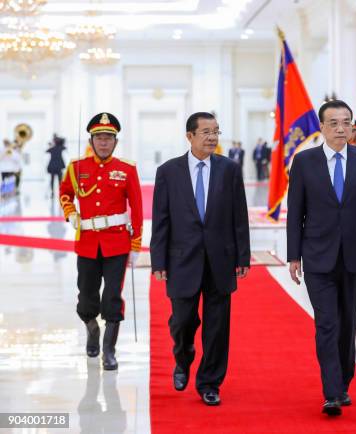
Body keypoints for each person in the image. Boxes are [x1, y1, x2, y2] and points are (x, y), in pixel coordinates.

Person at [286, 100, 356, 416]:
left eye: (346, 122)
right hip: (317, 256)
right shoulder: (305, 162)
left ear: (353, 126)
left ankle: (343, 380)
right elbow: (295, 213)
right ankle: (332, 391)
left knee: (348, 323)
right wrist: (293, 255)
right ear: (322, 127)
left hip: (354, 255)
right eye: (334, 122)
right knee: (326, 323)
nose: (340, 128)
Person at [150, 112, 250, 406]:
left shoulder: (229, 169)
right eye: (205, 132)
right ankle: (183, 357)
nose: (212, 137)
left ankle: (209, 382)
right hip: (182, 259)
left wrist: (242, 255)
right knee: (182, 321)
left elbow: (239, 216)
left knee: (218, 326)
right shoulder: (168, 171)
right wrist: (159, 261)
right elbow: (161, 220)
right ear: (189, 136)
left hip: (220, 258)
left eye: (216, 132)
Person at [59, 112, 143, 371]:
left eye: (108, 138)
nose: (103, 142)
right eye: (99, 138)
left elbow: (137, 207)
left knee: (111, 297)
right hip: (87, 242)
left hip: (117, 243)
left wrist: (136, 242)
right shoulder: (77, 167)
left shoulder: (127, 169)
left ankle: (109, 350)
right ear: (91, 140)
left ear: (115, 141)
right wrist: (70, 213)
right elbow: (65, 193)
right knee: (86, 297)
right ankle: (92, 328)